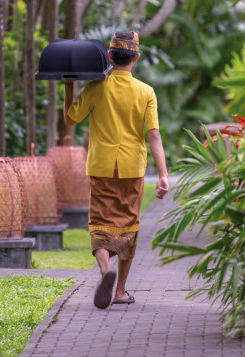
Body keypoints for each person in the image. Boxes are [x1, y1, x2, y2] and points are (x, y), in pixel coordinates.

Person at [63, 31, 170, 309]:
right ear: (135, 57)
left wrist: (68, 87)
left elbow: (71, 118)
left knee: (99, 221)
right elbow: (154, 135)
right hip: (132, 168)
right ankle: (120, 290)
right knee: (128, 225)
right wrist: (163, 174)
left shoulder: (97, 87)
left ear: (110, 56)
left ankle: (104, 268)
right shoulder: (146, 92)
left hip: (101, 166)